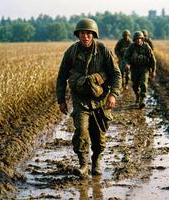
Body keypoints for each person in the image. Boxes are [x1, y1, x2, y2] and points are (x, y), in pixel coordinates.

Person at [56, 18, 122, 177]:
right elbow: (61, 77)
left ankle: (97, 159)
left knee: (99, 135)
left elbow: (116, 74)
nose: (85, 37)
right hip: (80, 101)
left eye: (88, 34)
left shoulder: (103, 50)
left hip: (100, 100)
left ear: (94, 35)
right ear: (78, 35)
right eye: (82, 33)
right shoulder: (71, 52)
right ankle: (83, 163)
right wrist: (61, 100)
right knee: (81, 130)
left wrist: (113, 95)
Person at [124, 31, 156, 109]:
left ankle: (142, 100)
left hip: (144, 68)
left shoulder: (146, 46)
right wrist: (127, 64)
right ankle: (137, 97)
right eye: (137, 39)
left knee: (143, 84)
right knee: (135, 85)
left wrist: (153, 71)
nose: (138, 40)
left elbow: (152, 59)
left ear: (142, 39)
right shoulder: (131, 47)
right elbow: (126, 57)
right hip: (134, 69)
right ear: (134, 39)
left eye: (140, 39)